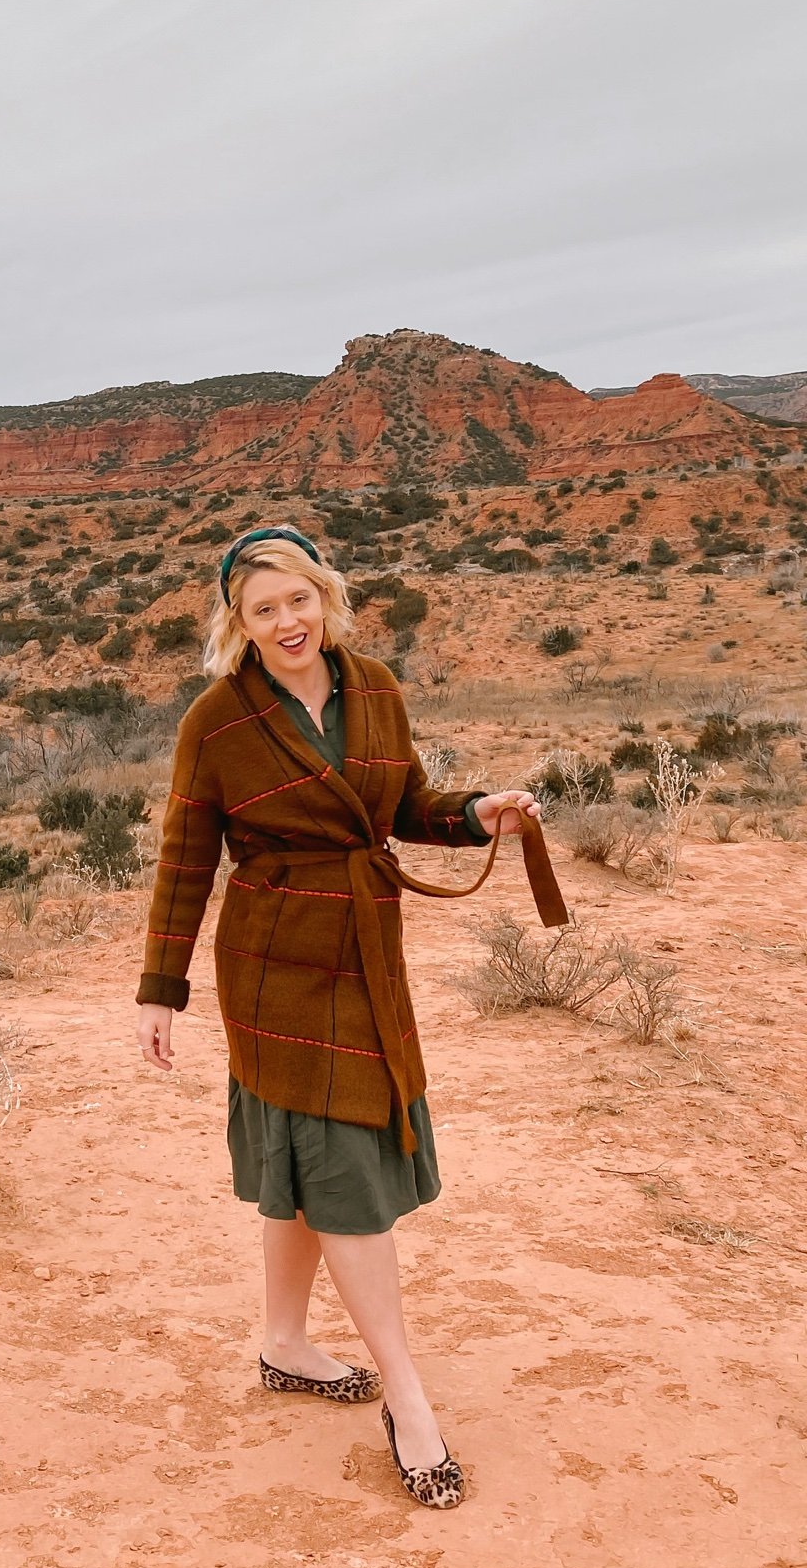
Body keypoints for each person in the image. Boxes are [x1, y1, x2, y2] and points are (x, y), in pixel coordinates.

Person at [134, 524, 550, 1509]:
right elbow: (186, 859)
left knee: (304, 1156)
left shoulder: (374, 689)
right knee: (340, 1169)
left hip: (367, 954)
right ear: (236, 622)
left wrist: (472, 814)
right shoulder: (218, 720)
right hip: (274, 964)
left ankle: (284, 1341)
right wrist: (161, 988)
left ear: (327, 596)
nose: (286, 623)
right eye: (262, 609)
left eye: (298, 601)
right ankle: (407, 1398)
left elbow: (402, 804)